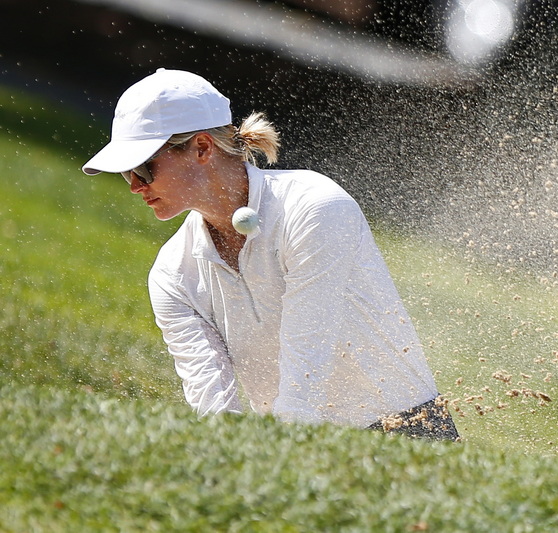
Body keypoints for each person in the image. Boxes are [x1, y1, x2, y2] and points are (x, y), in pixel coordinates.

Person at [82, 68, 458, 441]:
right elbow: (214, 411)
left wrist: (274, 459)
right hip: (292, 449)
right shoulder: (171, 274)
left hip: (408, 435)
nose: (134, 186)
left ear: (202, 148)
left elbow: (305, 369)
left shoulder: (315, 208)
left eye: (145, 168)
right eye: (127, 172)